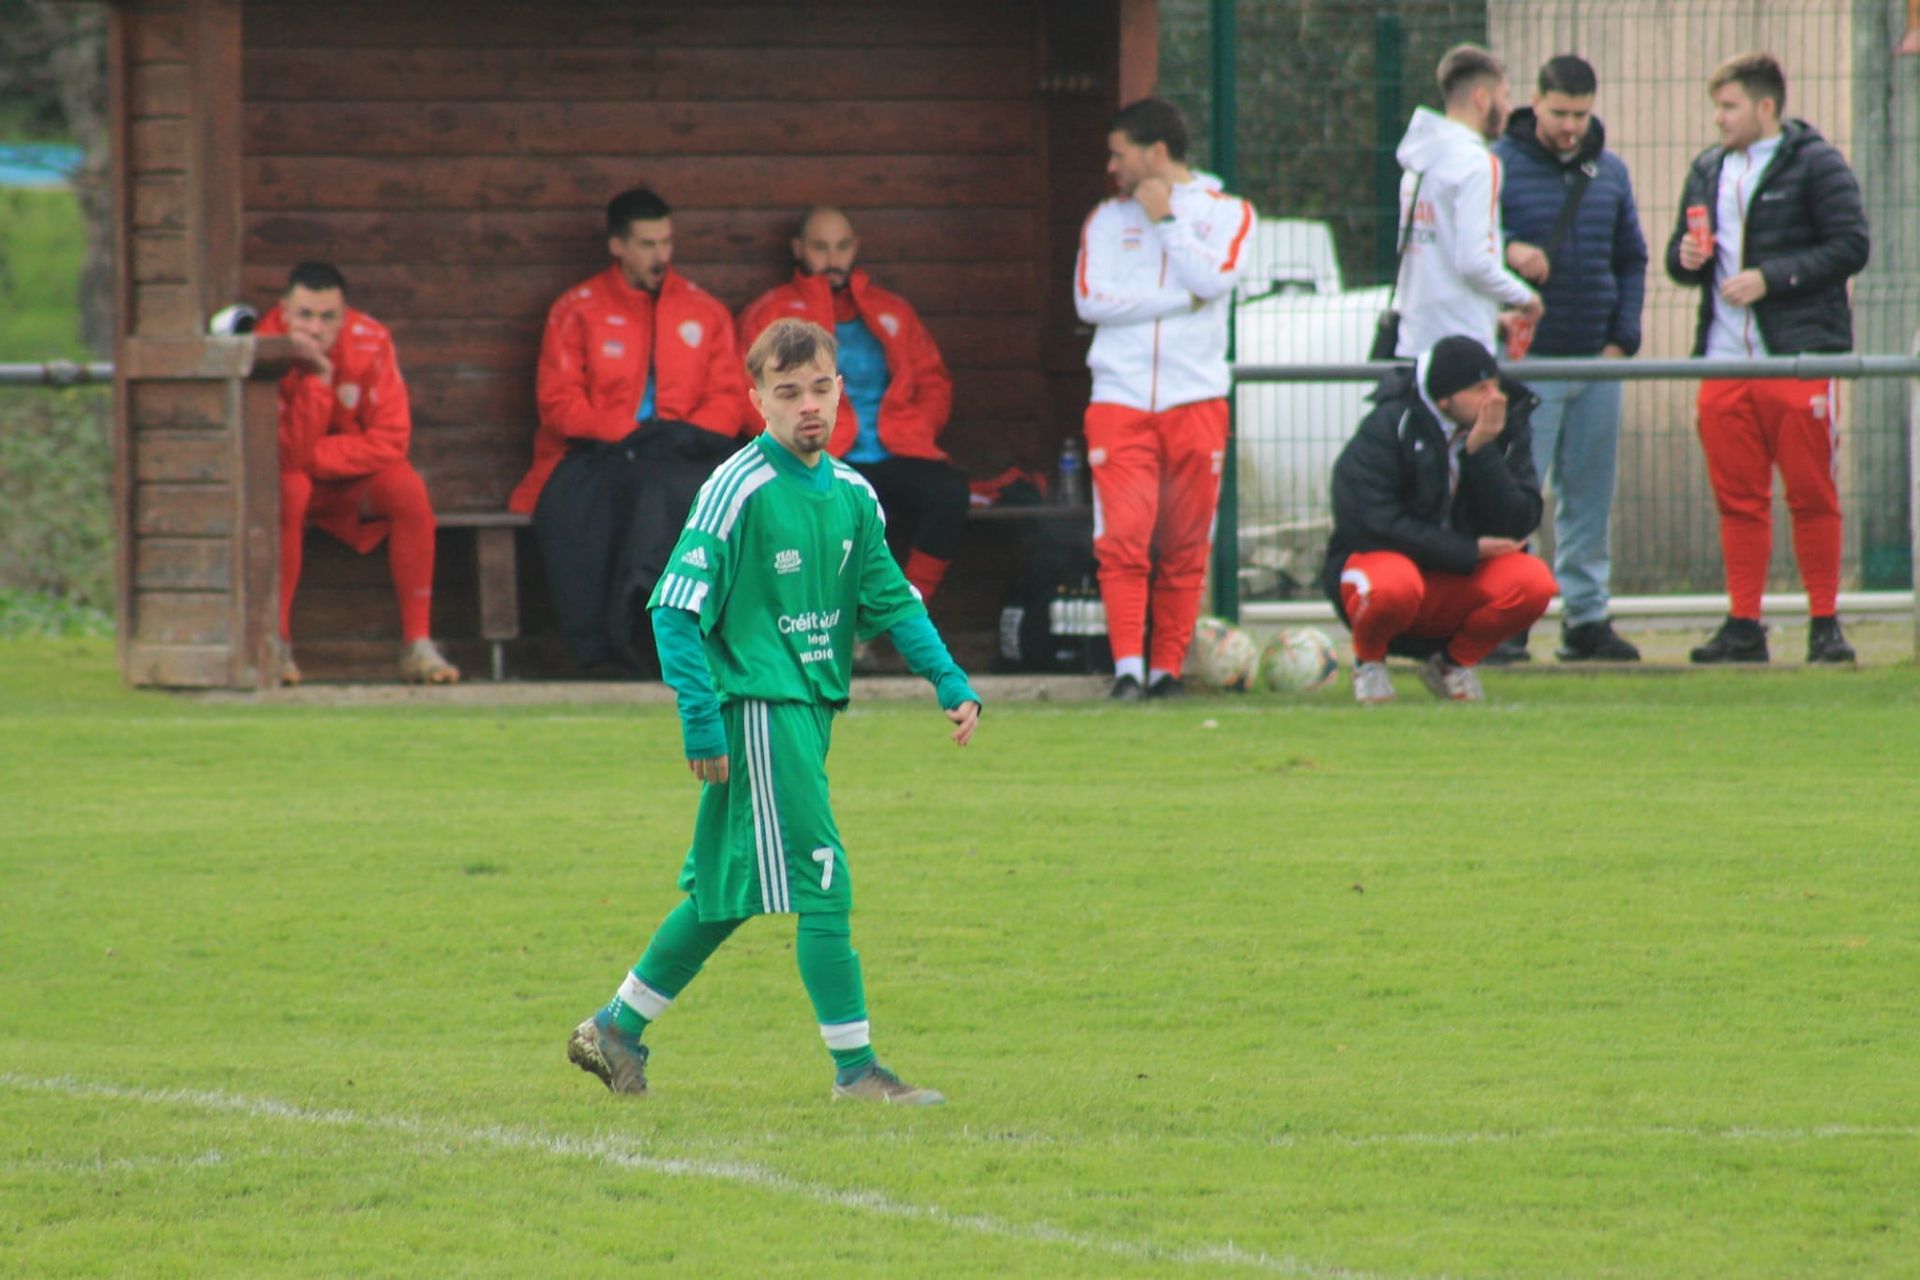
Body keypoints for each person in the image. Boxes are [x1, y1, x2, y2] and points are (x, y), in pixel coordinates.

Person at [566, 318, 982, 1106]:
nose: (807, 407)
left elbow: (891, 597)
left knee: (727, 892)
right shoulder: (737, 487)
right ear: (756, 400)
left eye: (819, 388)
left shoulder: (855, 495)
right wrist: (702, 722)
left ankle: (616, 1026)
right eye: (787, 393)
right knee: (823, 881)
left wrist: (949, 679)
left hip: (805, 711)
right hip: (758, 707)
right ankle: (857, 1073)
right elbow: (673, 609)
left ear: (839, 391)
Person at [1665, 53, 1869, 664]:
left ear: (1765, 108)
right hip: (1723, 361)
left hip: (1797, 358)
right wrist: (1686, 258)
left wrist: (1771, 278)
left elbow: (1851, 245)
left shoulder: (1817, 162)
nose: (1719, 120)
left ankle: (1825, 623)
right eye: (1717, 108)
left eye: (1729, 108)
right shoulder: (1705, 168)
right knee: (1738, 498)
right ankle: (1744, 624)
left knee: (1811, 492)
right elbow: (1682, 262)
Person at [510, 187, 752, 672]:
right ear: (617, 245)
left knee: (714, 493)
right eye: (647, 243)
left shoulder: (705, 311)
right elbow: (559, 404)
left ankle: (700, 639)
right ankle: (624, 639)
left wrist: (683, 434)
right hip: (599, 456)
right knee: (610, 501)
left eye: (666, 242)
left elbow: (732, 398)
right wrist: (629, 433)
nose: (660, 255)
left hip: (688, 453)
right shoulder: (576, 309)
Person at [1074, 97, 1256, 701]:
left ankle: (1165, 673)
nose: (1111, 165)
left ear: (1155, 154)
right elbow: (1090, 302)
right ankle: (1127, 669)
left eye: (1118, 152)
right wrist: (1182, 301)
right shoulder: (1104, 219)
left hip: (1197, 400)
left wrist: (1167, 224)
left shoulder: (1230, 213)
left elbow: (1216, 280)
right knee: (1122, 538)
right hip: (1119, 400)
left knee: (1184, 544)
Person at [1494, 54, 1647, 662]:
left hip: (1596, 363)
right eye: (1559, 113)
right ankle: (1509, 619)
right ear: (1535, 102)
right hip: (1525, 368)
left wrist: (1621, 341)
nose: (1569, 126)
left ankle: (1586, 619)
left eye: (1581, 115)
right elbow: (1470, 249)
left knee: (1588, 498)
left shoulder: (1608, 172)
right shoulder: (1497, 168)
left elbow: (1630, 258)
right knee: (1517, 500)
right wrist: (1510, 250)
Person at [736, 208, 966, 609]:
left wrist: (918, 428)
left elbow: (934, 381)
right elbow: (746, 391)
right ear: (798, 249)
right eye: (820, 248)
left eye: (842, 247)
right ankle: (834, 626)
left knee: (949, 493)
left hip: (898, 449)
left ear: (855, 248)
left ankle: (903, 611)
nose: (832, 259)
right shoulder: (772, 312)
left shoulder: (891, 309)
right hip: (818, 453)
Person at [1320, 336, 1556, 705]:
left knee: (1534, 582)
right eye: (1480, 389)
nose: (1495, 398)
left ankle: (1453, 664)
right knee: (1393, 586)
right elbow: (1368, 521)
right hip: (1390, 569)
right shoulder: (1390, 424)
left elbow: (1519, 520)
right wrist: (1467, 550)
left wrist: (1482, 453)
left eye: (1495, 384)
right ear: (1445, 398)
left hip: (1457, 574)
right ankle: (1369, 663)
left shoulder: (1505, 426)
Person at [257, 261, 459, 686]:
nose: (315, 327)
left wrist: (316, 454)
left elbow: (391, 439)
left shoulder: (372, 340)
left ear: (344, 315)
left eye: (328, 317)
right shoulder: (264, 346)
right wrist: (317, 378)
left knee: (407, 491)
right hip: (289, 485)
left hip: (346, 477)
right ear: (284, 311)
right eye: (305, 315)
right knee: (290, 489)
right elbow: (283, 459)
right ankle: (276, 643)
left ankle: (417, 644)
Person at [1392, 44, 1544, 361]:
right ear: (1481, 98)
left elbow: (1427, 258)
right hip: (1463, 349)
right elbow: (1474, 261)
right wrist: (1525, 297)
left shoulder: (1420, 159)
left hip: (1417, 338)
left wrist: (1491, 317)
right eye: (1503, 96)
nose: (1508, 107)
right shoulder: (1477, 163)